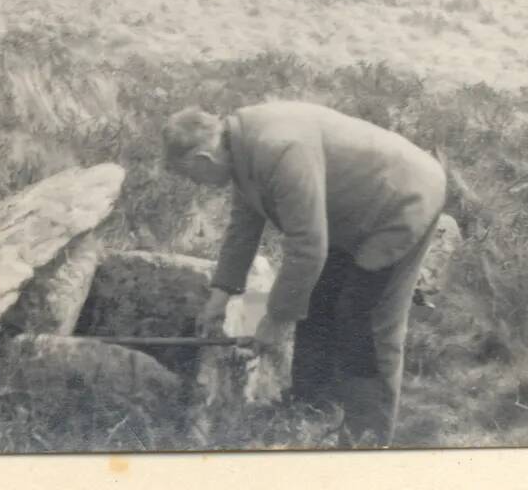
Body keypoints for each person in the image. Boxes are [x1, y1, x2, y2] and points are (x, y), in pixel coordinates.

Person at [162, 101, 447, 447]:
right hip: (350, 212)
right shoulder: (240, 146)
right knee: (315, 303)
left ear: (202, 160)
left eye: (193, 177)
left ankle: (367, 437)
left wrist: (275, 320)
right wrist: (220, 295)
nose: (200, 186)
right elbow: (243, 227)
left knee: (364, 319)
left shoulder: (278, 148)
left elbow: (308, 245)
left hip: (401, 200)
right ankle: (310, 410)